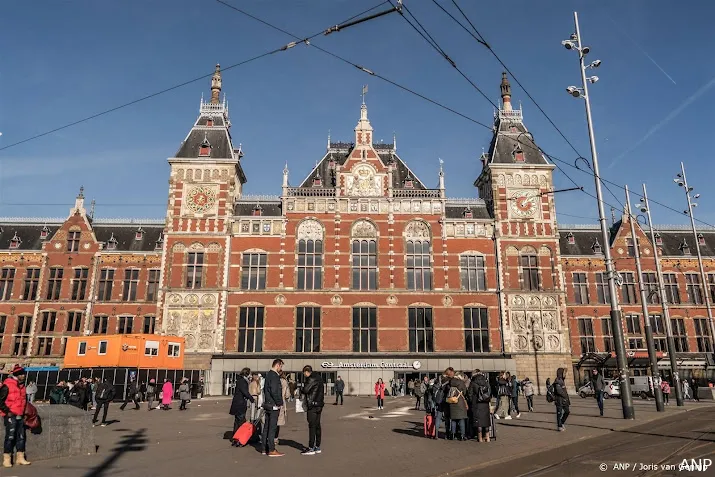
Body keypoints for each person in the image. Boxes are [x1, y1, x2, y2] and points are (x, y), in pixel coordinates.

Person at [0, 365, 30, 467]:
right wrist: (7, 411)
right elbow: (0, 400)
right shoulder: (7, 385)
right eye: (22, 374)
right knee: (10, 436)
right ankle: (7, 459)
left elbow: (24, 401)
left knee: (21, 437)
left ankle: (20, 458)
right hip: (10, 415)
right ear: (17, 375)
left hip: (20, 414)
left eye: (24, 374)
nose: (24, 376)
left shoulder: (22, 386)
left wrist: (25, 413)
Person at [261, 359, 285, 457]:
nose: (281, 368)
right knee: (272, 428)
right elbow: (274, 391)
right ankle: (271, 449)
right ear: (278, 365)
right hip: (273, 405)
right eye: (281, 366)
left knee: (266, 427)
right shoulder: (274, 376)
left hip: (268, 404)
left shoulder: (268, 375)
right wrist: (279, 403)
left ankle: (264, 448)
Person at [300, 365, 324, 456]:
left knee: (312, 426)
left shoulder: (311, 378)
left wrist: (301, 389)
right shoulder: (319, 378)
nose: (304, 375)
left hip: (312, 405)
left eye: (304, 373)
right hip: (319, 405)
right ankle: (317, 446)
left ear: (306, 372)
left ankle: (311, 447)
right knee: (317, 425)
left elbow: (305, 390)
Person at [229, 368, 254, 447]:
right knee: (241, 422)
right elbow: (245, 392)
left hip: (237, 404)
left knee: (237, 422)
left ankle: (235, 439)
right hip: (240, 404)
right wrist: (251, 398)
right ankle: (240, 439)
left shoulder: (240, 380)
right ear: (247, 374)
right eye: (250, 373)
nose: (251, 375)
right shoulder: (243, 381)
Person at [467, 369, 492, 442]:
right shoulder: (486, 381)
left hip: (477, 404)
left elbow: (470, 394)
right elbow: (489, 392)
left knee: (479, 422)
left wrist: (472, 401)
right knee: (486, 421)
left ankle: (480, 438)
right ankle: (487, 437)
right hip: (485, 403)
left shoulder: (473, 382)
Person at [447, 372, 468, 440]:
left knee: (453, 420)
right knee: (461, 420)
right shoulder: (461, 383)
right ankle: (462, 435)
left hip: (452, 402)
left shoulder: (450, 382)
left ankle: (452, 435)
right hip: (460, 402)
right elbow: (464, 392)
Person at [275, 372, 291, 446]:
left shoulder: (273, 379)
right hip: (281, 402)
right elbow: (287, 395)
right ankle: (276, 438)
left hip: (272, 402)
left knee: (271, 421)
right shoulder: (284, 382)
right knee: (278, 422)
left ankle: (270, 437)